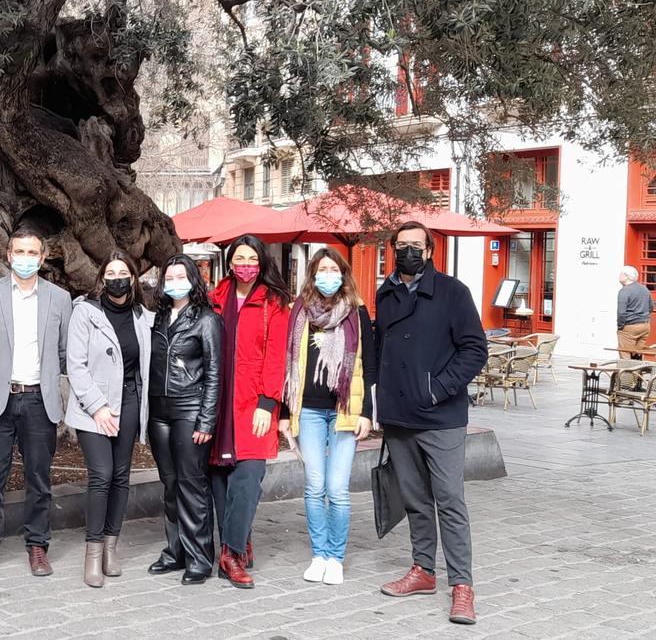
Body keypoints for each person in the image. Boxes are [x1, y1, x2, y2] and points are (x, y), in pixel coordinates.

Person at [375, 221, 488, 625]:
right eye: (401, 245)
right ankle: (423, 570)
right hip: (398, 416)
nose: (408, 251)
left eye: (415, 245)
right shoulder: (385, 293)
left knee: (450, 501)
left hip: (440, 416)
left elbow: (475, 349)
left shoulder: (453, 292)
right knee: (415, 500)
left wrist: (438, 388)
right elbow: (380, 348)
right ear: (392, 249)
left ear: (429, 250)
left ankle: (462, 586)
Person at [0, 227, 72, 577]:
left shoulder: (59, 299)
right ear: (8, 255)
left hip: (39, 400)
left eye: (32, 253)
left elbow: (63, 351)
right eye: (18, 252)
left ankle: (38, 545)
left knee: (39, 479)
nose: (25, 259)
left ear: (43, 258)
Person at [280, 247, 376, 586]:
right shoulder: (299, 310)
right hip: (307, 410)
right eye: (322, 269)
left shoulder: (356, 311)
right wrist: (282, 412)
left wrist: (367, 412)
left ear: (343, 274)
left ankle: (335, 557)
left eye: (334, 270)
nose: (328, 276)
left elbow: (371, 364)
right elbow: (286, 361)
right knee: (313, 485)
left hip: (344, 410)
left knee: (337, 489)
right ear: (312, 274)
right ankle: (318, 554)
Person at [65, 252, 154, 588]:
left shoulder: (143, 317)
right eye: (111, 273)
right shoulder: (85, 312)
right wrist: (99, 407)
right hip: (93, 407)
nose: (118, 278)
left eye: (124, 273)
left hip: (129, 401)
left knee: (120, 476)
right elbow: (75, 366)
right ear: (102, 279)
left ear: (133, 279)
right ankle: (91, 553)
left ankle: (110, 547)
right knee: (100, 474)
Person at [207, 234, 291, 590]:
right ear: (229, 262)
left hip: (254, 402)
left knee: (248, 476)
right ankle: (238, 541)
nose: (245, 265)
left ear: (261, 262)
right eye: (239, 259)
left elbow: (276, 357)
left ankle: (231, 553)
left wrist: (268, 403)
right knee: (220, 479)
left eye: (251, 259)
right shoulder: (215, 298)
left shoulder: (275, 302)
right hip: (218, 400)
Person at [146, 254, 222, 585]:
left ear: (193, 279)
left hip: (190, 408)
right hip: (159, 411)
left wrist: (206, 420)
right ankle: (174, 551)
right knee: (171, 484)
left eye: (181, 276)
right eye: (169, 277)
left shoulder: (206, 320)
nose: (174, 282)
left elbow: (215, 372)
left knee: (192, 485)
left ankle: (199, 557)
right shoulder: (158, 317)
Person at [617, 266, 653, 359]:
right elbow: (651, 307)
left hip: (630, 327)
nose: (619, 276)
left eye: (621, 274)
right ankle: (637, 372)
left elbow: (621, 312)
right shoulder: (644, 288)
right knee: (637, 354)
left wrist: (620, 326)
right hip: (645, 326)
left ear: (627, 276)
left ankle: (627, 373)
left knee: (625, 354)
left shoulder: (624, 291)